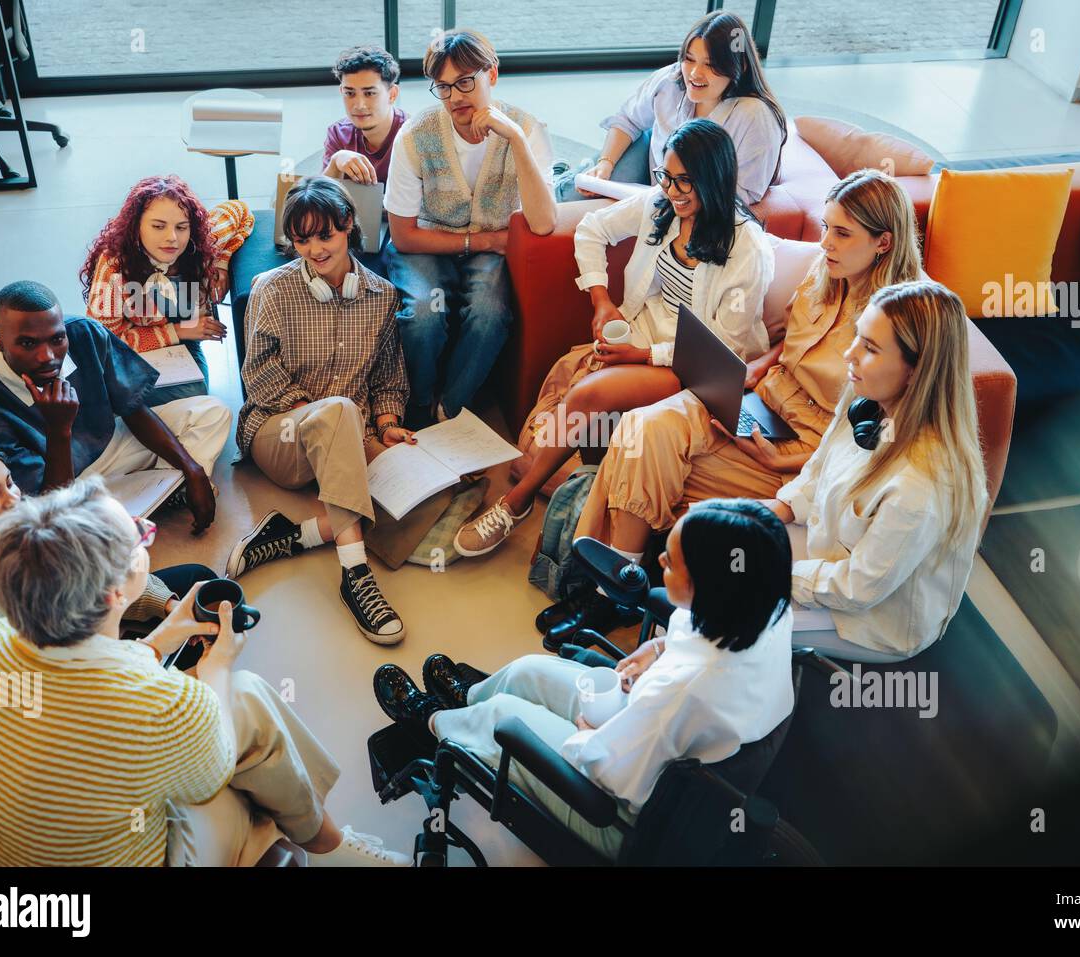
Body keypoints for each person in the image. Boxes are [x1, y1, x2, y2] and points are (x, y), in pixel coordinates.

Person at [0, 478, 410, 866]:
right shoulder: (162, 707)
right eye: (139, 537)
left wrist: (166, 634)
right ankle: (330, 846)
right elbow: (215, 761)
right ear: (112, 596)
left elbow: (82, 679)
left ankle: (322, 840)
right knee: (247, 715)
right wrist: (220, 664)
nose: (148, 530)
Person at [558, 169, 922, 640]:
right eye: (826, 227)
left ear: (884, 243)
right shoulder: (826, 272)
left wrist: (783, 457)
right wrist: (753, 368)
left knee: (656, 459)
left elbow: (862, 449)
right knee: (641, 429)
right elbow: (791, 338)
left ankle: (607, 593)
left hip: (806, 448)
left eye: (842, 233)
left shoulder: (895, 327)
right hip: (763, 397)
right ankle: (622, 585)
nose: (826, 243)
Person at [375, 498, 795, 860]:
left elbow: (608, 774)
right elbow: (695, 635)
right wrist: (661, 647)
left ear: (710, 589)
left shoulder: (681, 692)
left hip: (618, 815)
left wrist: (587, 734)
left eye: (670, 562)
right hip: (663, 743)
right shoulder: (766, 610)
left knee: (503, 718)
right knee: (529, 670)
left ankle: (429, 721)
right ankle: (467, 698)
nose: (659, 562)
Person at [453, 119, 773, 559]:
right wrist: (601, 300)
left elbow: (728, 345)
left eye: (686, 182)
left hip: (698, 367)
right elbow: (592, 230)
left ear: (715, 181)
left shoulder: (746, 246)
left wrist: (643, 354)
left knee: (587, 394)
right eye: (666, 177)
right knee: (574, 404)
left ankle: (517, 502)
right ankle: (573, 482)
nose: (673, 191)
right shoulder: (660, 205)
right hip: (645, 334)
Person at [227, 177, 411, 644]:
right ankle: (355, 576)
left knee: (425, 498)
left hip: (350, 434)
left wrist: (387, 425)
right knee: (338, 413)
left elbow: (388, 376)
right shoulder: (271, 288)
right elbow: (259, 375)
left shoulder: (382, 297)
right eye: (302, 239)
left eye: (324, 236)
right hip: (280, 434)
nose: (313, 249)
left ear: (348, 225)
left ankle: (295, 535)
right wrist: (322, 417)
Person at [765, 279, 988, 662]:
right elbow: (819, 467)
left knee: (727, 610)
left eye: (869, 348)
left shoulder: (922, 486)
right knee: (720, 543)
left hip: (870, 618)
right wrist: (782, 508)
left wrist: (774, 574)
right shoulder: (866, 400)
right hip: (825, 554)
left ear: (917, 371)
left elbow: (857, 590)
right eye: (857, 337)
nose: (849, 354)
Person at [0, 436, 217, 734]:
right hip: (45, 699)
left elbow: (99, 572)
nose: (13, 500)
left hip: (66, 645)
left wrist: (167, 606)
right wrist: (146, 653)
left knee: (197, 587)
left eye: (10, 482)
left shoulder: (28, 529)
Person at [0, 281, 231, 533]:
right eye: (28, 343)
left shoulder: (84, 334)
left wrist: (192, 469)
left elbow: (133, 408)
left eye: (57, 339)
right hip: (57, 482)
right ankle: (137, 503)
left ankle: (155, 493)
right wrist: (58, 430)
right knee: (50, 527)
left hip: (108, 447)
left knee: (211, 413)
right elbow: (37, 504)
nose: (47, 356)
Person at [382, 28, 557, 428]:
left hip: (489, 251)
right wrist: (481, 241)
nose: (455, 97)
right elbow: (404, 235)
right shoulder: (416, 136)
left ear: (491, 75)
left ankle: (452, 409)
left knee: (491, 314)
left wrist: (513, 139)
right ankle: (419, 406)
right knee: (424, 313)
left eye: (465, 82)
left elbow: (545, 222)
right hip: (427, 243)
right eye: (443, 87)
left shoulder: (526, 129)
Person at [560, 11, 786, 207]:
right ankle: (560, 176)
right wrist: (605, 163)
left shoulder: (755, 117)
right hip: (650, 164)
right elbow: (627, 120)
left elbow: (742, 194)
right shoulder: (671, 79)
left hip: (675, 196)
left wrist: (674, 197)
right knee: (573, 196)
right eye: (689, 59)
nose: (695, 73)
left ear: (740, 66)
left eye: (709, 64)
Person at [81, 174, 253, 404]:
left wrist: (221, 261)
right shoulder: (114, 266)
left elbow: (240, 211)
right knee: (124, 395)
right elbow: (106, 342)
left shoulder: (200, 246)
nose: (172, 238)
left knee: (193, 395)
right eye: (158, 226)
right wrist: (177, 331)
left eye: (181, 227)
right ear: (136, 226)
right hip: (134, 349)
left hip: (183, 346)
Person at [322, 45, 407, 186]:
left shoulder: (413, 134)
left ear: (392, 95)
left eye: (369, 93)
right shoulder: (338, 133)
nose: (359, 105)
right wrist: (336, 161)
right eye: (350, 93)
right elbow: (320, 198)